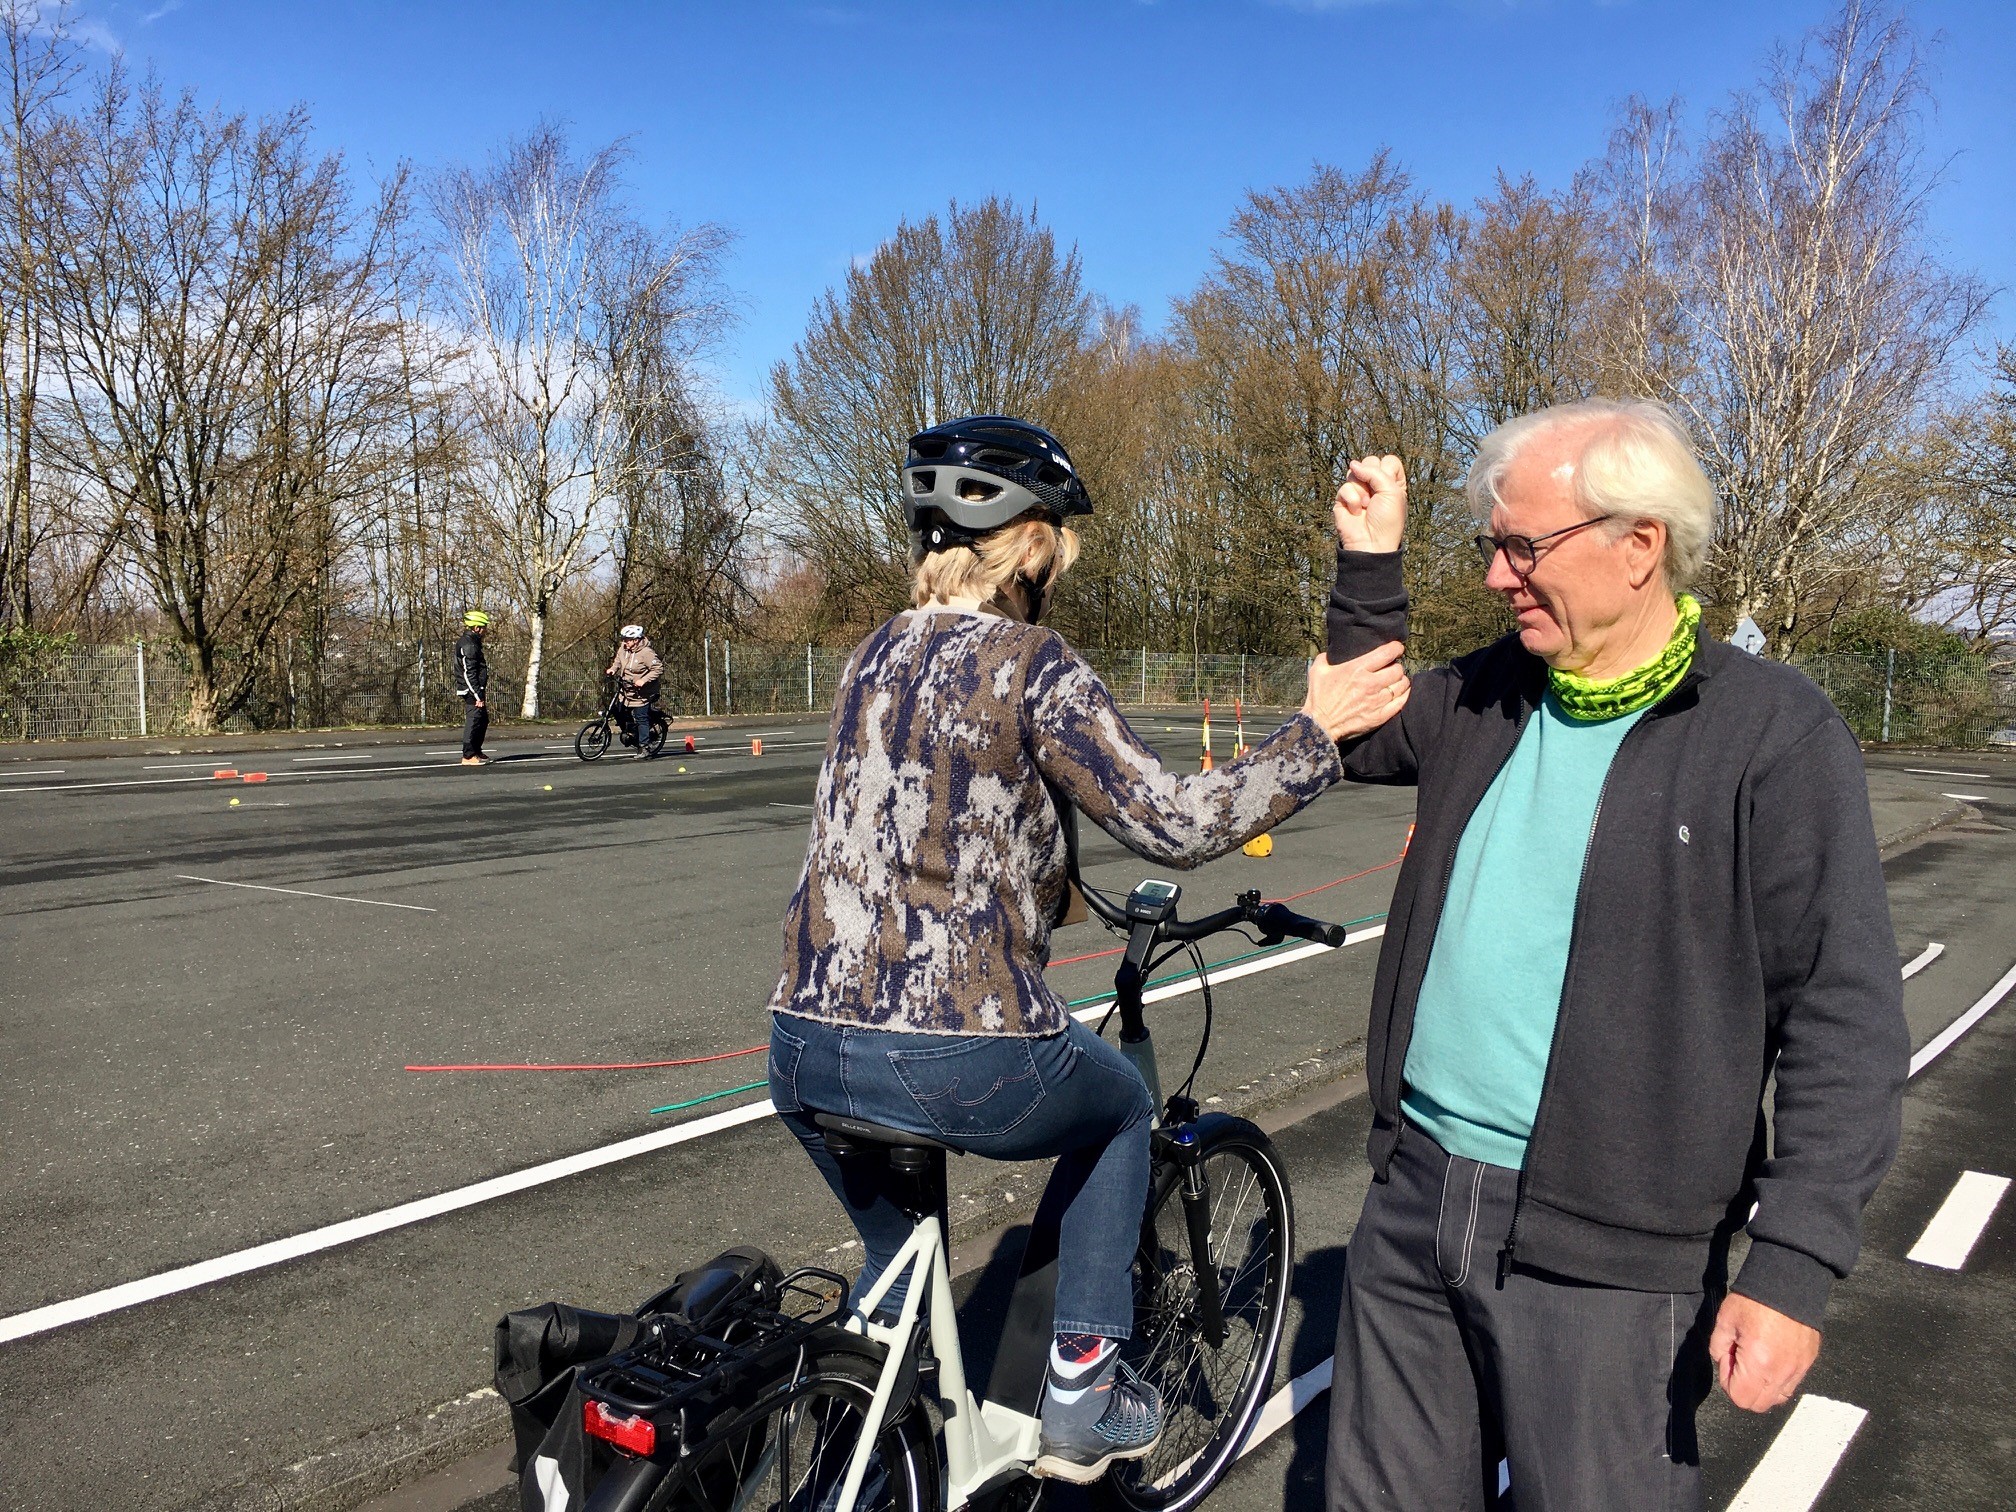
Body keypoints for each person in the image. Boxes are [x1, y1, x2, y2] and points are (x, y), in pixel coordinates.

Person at [767, 414, 1410, 1485]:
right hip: (955, 1049)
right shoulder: (1033, 665)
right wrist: (1315, 732)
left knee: (900, 1288)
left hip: (802, 1041)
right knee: (1116, 1108)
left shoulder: (871, 654)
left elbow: (916, 822)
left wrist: (1044, 888)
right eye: (1057, 540)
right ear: (1027, 546)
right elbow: (1174, 822)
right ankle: (1083, 1387)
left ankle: (880, 1460)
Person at [1319, 400, 1909, 1512]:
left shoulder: (1771, 733)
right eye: (1493, 547)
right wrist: (1369, 566)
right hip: (1416, 1202)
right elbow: (1357, 729)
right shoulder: (1494, 694)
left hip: (1614, 1255)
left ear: (1639, 544)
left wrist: (1793, 1266)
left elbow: (1844, 1013)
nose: (1498, 577)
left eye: (1522, 547)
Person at [604, 625, 664, 759]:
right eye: (624, 639)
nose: (625, 642)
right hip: (626, 689)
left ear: (636, 640)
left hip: (642, 693)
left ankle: (644, 747)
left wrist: (643, 680)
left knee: (641, 717)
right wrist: (613, 669)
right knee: (618, 711)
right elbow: (618, 661)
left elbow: (657, 669)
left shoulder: (646, 653)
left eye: (628, 639)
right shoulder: (623, 649)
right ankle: (631, 733)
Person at [454, 611, 492, 766]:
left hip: (476, 689)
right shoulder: (469, 645)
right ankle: (468, 755)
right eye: (484, 627)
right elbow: (469, 673)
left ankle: (476, 750)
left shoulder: (473, 642)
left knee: (482, 720)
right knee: (474, 720)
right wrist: (477, 695)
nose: (486, 630)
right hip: (471, 690)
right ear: (477, 628)